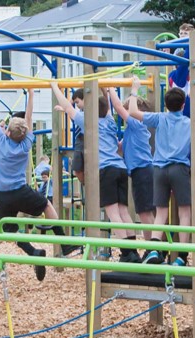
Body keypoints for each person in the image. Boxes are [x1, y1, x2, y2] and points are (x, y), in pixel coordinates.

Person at [0, 92, 81, 281]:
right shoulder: (25, 145)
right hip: (21, 191)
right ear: (24, 133)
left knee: (10, 231)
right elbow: (28, 118)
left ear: (7, 132)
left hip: (3, 196)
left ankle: (33, 252)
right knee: (46, 205)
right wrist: (31, 93)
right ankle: (63, 243)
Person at [55, 84, 141, 263]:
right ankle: (133, 252)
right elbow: (107, 104)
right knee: (124, 212)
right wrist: (105, 88)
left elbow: (68, 106)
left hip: (105, 169)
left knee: (113, 213)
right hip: (120, 167)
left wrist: (54, 86)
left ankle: (126, 253)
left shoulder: (89, 123)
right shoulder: (109, 120)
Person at [127, 85, 195, 264]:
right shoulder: (189, 123)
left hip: (159, 168)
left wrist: (134, 89)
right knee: (185, 212)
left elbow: (133, 111)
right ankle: (181, 256)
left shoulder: (159, 118)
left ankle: (154, 250)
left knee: (161, 212)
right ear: (183, 106)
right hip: (179, 168)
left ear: (165, 105)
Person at [119, 83, 164, 263]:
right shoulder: (133, 129)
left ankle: (152, 250)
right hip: (145, 171)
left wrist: (133, 89)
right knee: (149, 212)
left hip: (142, 172)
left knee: (145, 213)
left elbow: (120, 109)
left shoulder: (136, 123)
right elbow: (121, 147)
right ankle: (155, 249)